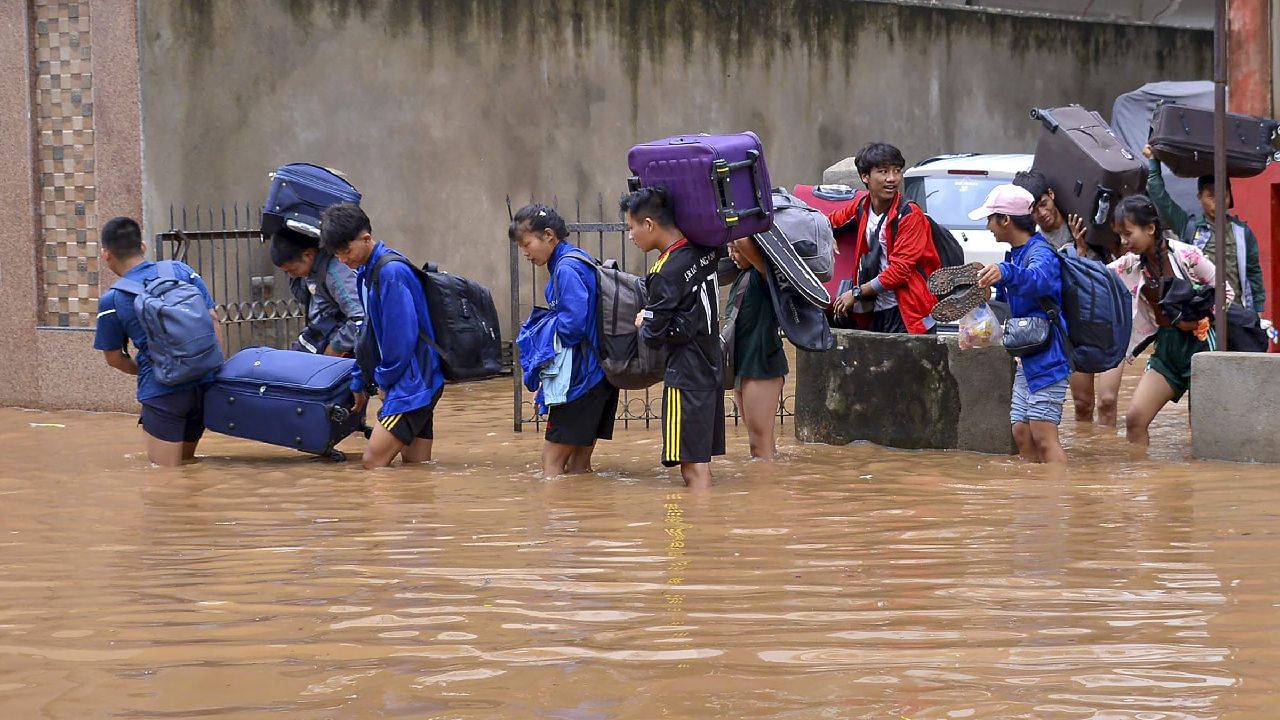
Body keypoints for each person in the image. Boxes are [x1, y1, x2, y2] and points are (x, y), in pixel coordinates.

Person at [320, 202, 444, 470]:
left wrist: (383, 382)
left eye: (346, 250)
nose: (343, 259)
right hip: (418, 382)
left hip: (411, 386)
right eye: (336, 254)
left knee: (373, 463)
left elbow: (400, 339)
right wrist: (359, 379)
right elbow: (369, 334)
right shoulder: (367, 273)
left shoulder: (390, 272)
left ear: (366, 238)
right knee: (416, 468)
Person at [94, 216, 223, 466]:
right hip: (204, 385)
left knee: (165, 478)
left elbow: (114, 359)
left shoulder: (112, 300)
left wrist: (149, 369)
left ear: (105, 254)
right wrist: (209, 366)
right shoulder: (179, 270)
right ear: (142, 246)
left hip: (163, 393)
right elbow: (213, 318)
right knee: (188, 465)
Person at [1108, 195, 1233, 446]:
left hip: (1201, 347)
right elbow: (1099, 278)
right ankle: (1144, 481)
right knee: (1135, 420)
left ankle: (1196, 485)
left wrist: (1200, 318)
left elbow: (1225, 292)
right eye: (1120, 235)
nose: (1123, 242)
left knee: (1199, 431)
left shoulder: (1188, 255)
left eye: (1128, 234)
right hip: (1166, 349)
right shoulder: (1130, 266)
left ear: (1151, 228)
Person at [622, 186, 725, 490]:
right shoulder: (703, 251)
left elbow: (652, 337)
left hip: (685, 375)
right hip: (710, 366)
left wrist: (643, 320)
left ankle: (687, 535)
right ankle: (708, 527)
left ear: (650, 225)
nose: (630, 236)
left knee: (691, 468)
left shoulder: (665, 271)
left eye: (632, 227)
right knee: (701, 462)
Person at [510, 204, 618, 477]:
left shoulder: (566, 269)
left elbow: (571, 327)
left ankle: (555, 517)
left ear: (548, 235)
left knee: (552, 465)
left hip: (579, 382)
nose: (524, 253)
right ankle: (583, 515)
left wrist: (543, 365)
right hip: (599, 378)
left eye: (526, 244)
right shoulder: (578, 259)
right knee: (579, 467)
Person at [1013, 169, 1125, 426]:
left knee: (1107, 401)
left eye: (1044, 204)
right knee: (1083, 403)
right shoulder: (1036, 244)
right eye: (1034, 210)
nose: (1042, 213)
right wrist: (1078, 253)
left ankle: (1108, 460)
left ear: (1051, 195)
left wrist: (1084, 248)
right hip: (1073, 327)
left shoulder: (1085, 219)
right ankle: (1087, 461)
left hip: (1109, 320)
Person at [970, 185, 1070, 464]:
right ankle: (1033, 496)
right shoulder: (1013, 255)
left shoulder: (1041, 252)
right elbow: (1008, 303)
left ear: (1005, 220)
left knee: (1043, 434)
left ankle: (1059, 499)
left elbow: (1039, 279)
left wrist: (1006, 272)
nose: (988, 226)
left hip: (1049, 355)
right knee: (1022, 431)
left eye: (990, 219)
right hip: (1026, 355)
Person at [828, 142, 940, 334]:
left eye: (897, 171)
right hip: (877, 311)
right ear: (865, 177)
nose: (892, 178)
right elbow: (828, 220)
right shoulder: (862, 206)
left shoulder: (909, 214)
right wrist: (826, 233)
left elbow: (900, 271)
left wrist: (856, 293)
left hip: (909, 313)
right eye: (883, 172)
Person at [1144, 144, 1265, 314]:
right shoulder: (1188, 226)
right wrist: (1152, 160)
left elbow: (1253, 273)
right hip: (1201, 312)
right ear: (1199, 198)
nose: (1218, 199)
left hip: (1238, 311)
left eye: (1223, 193)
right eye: (1211, 195)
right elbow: (1159, 195)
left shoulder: (1242, 232)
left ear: (1230, 197)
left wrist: (1258, 312)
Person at [722, 236, 787, 460]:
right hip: (744, 365)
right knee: (759, 444)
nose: (732, 255)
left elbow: (742, 239)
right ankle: (766, 489)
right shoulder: (742, 276)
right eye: (729, 250)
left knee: (760, 447)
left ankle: (764, 491)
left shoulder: (764, 274)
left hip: (762, 365)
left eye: (736, 251)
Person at [270, 228, 363, 357]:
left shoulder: (335, 273)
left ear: (308, 255)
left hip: (342, 344)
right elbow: (302, 296)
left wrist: (336, 347)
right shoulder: (311, 272)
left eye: (293, 270)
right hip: (320, 333)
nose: (291, 275)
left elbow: (359, 318)